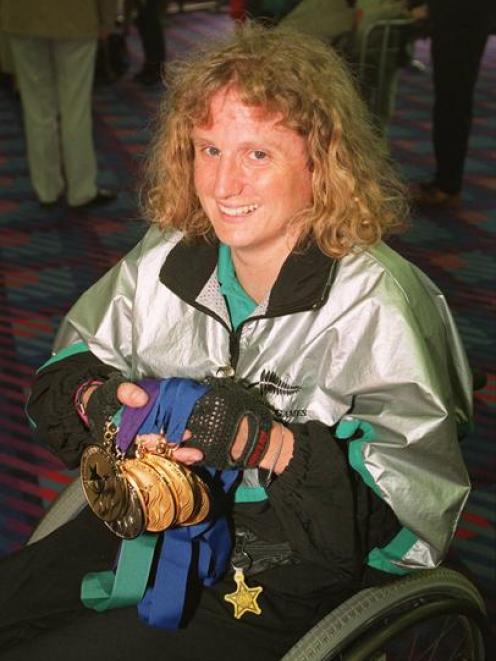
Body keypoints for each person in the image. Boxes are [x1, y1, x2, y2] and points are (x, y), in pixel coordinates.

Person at [0, 21, 472, 660]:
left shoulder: (379, 304)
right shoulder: (168, 259)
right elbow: (66, 373)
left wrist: (264, 443)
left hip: (283, 569)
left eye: (258, 154)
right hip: (153, 521)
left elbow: (407, 522)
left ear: (321, 160)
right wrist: (102, 402)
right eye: (209, 149)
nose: (223, 187)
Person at [0, 0, 118, 208]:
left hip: (22, 17)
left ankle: (47, 190)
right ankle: (81, 191)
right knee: (76, 108)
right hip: (76, 16)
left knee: (36, 109)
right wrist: (107, 20)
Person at [413, 0, 495, 208]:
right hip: (461, 16)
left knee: (453, 97)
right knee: (452, 97)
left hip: (461, 16)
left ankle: (447, 184)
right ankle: (446, 181)